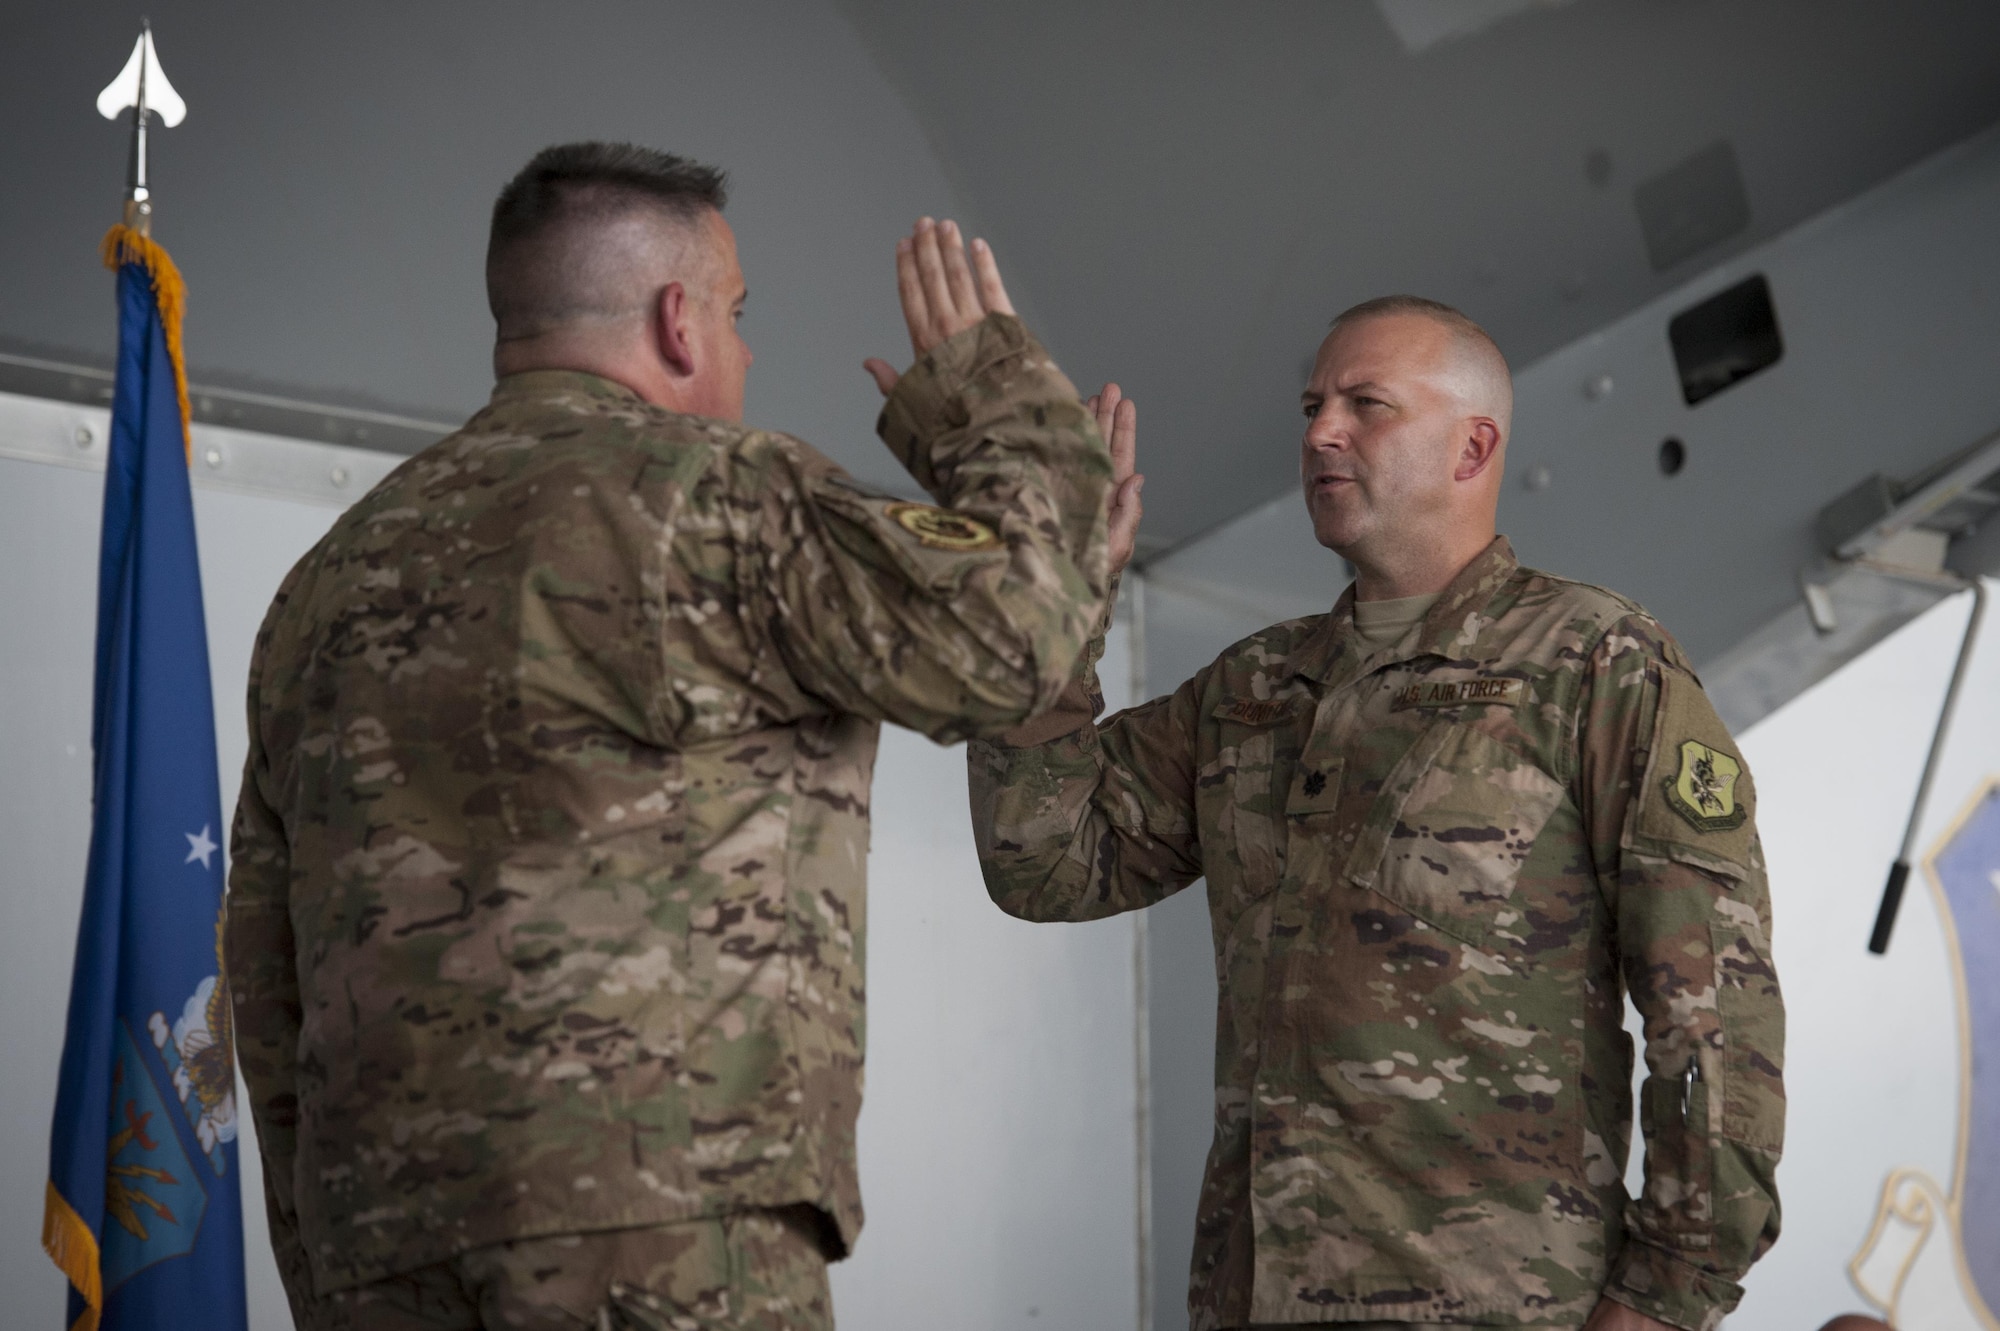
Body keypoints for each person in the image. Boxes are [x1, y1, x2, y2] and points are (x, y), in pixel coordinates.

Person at [225, 141, 1114, 1330]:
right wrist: (995, 401)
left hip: (372, 1249)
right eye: (738, 314)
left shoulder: (324, 583)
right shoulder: (718, 495)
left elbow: (265, 963)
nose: (745, 350)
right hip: (655, 1229)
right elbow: (1011, 646)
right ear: (677, 322)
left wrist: (321, 1253)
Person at [969, 296, 1784, 1331]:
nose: (1319, 432)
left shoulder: (1596, 665)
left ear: (1471, 445)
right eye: (1313, 405)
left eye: (1367, 404)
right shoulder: (1252, 689)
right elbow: (1044, 862)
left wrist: (1667, 1297)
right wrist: (1054, 599)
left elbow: (1714, 1012)